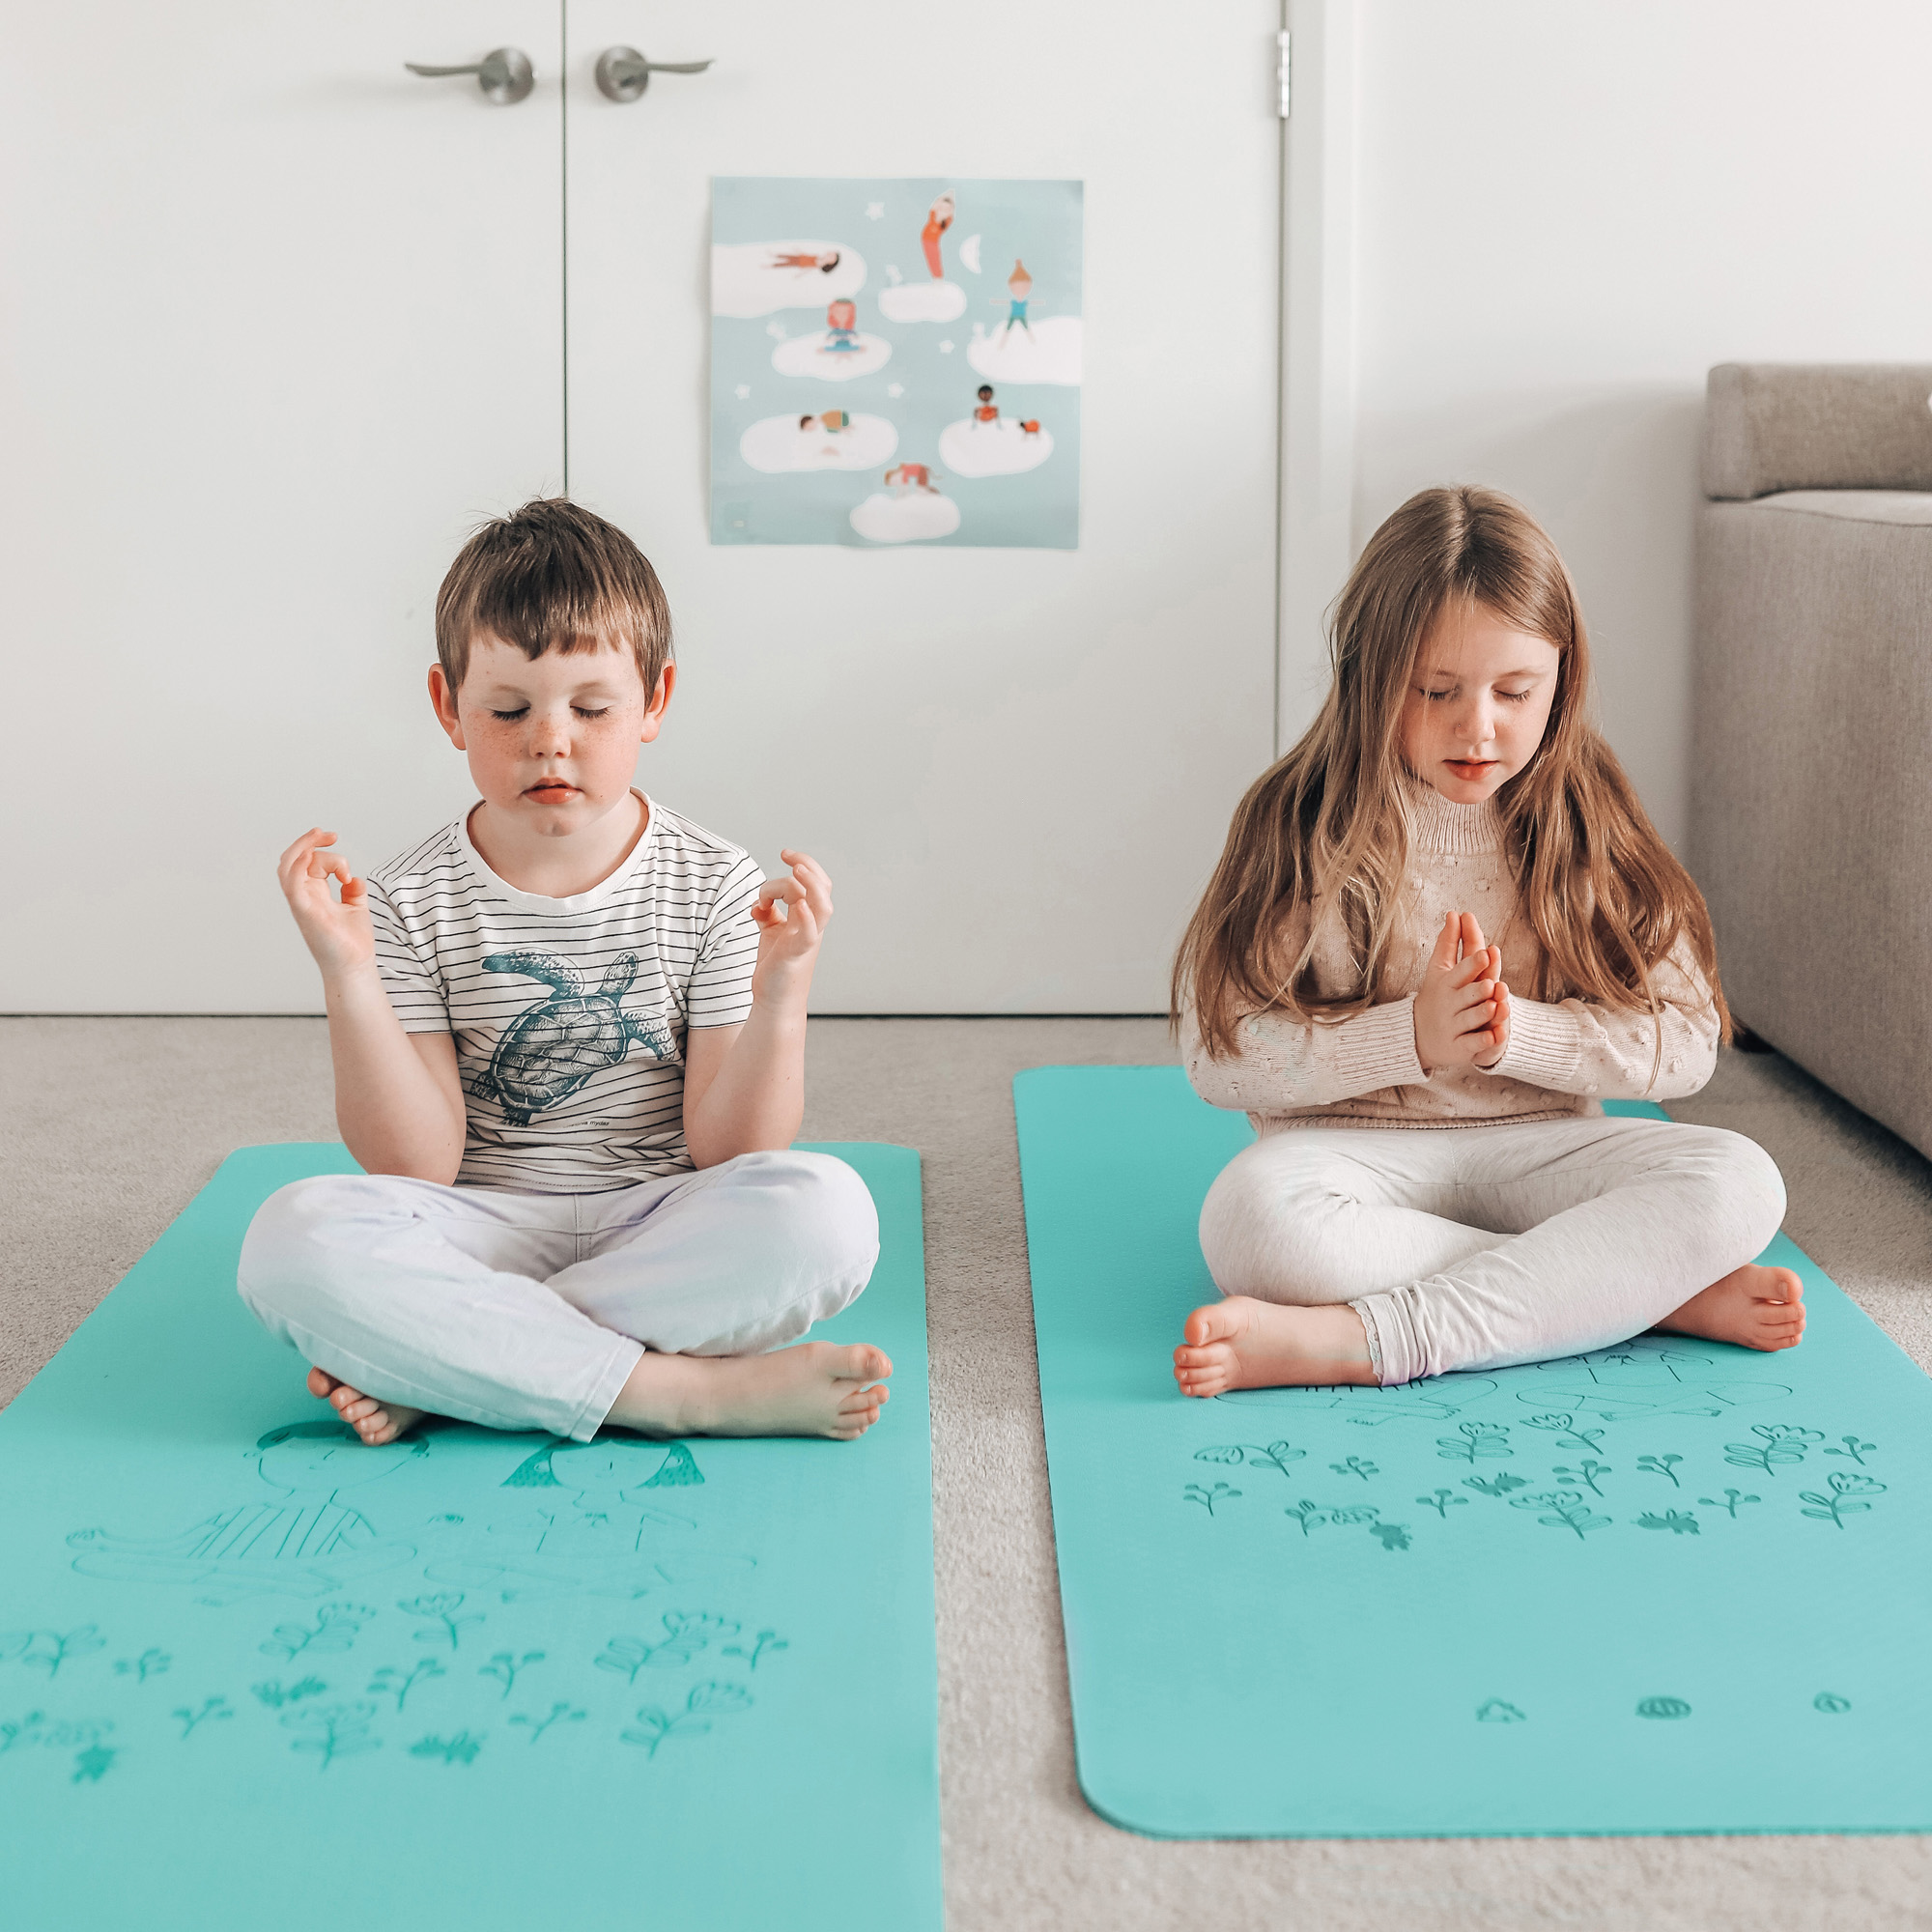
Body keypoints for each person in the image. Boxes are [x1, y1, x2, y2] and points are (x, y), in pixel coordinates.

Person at [241, 499, 890, 1447]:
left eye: (591, 708)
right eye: (509, 709)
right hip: (479, 1219)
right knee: (285, 1236)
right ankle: (677, 1393)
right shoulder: (408, 897)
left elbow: (731, 1148)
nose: (550, 738)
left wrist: (781, 992)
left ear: (654, 700)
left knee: (828, 1213)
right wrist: (349, 973)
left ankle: (466, 1360)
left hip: (658, 1221)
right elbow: (415, 1163)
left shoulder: (713, 881)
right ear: (447, 705)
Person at [1171, 485, 1801, 1398]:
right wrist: (1410, 1040)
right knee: (1251, 1220)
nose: (1479, 726)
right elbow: (1218, 1056)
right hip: (1349, 1156)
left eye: (1515, 691)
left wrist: (1525, 1036)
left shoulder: (1590, 818)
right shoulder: (1299, 823)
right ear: (1368, 675)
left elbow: (1687, 1042)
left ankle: (1364, 1342)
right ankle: (1632, 1293)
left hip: (1544, 1150)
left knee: (1743, 1181)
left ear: (1562, 676)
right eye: (1435, 692)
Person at [921, 193, 954, 280]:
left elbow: (950, 213)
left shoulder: (947, 220)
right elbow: (935, 205)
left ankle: (938, 277)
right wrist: (941, 200)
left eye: (946, 209)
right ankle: (937, 278)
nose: (943, 210)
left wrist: (949, 207)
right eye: (942, 208)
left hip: (933, 241)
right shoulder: (933, 215)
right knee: (931, 259)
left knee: (936, 258)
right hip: (926, 239)